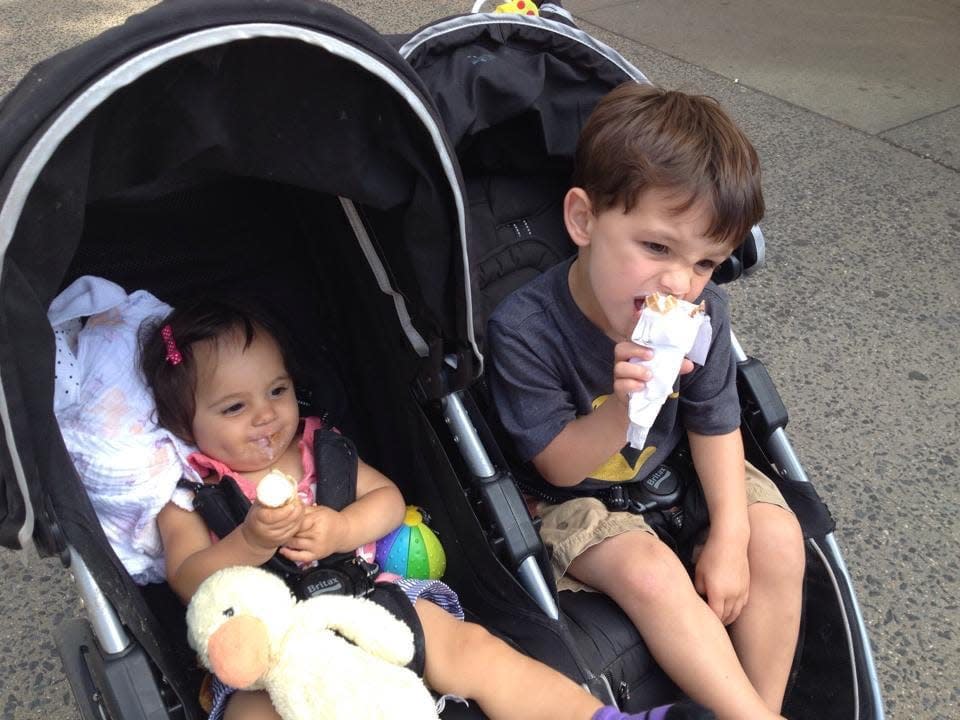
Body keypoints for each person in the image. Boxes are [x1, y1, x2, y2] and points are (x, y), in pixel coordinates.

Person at [140, 297, 711, 720]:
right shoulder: (189, 493)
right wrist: (249, 542)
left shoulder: (318, 449)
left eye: (277, 391)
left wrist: (342, 527)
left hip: (366, 598)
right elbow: (187, 577)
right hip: (267, 648)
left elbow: (388, 501)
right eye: (235, 408)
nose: (266, 416)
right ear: (185, 426)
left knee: (474, 650)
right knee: (251, 714)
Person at [486, 83, 806, 720]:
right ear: (584, 221)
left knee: (775, 535)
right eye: (657, 247)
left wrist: (731, 536)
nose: (679, 282)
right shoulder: (526, 329)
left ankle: (762, 706)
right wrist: (621, 409)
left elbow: (715, 422)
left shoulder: (701, 313)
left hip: (672, 464)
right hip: (572, 498)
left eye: (705, 262)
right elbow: (557, 466)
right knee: (650, 572)